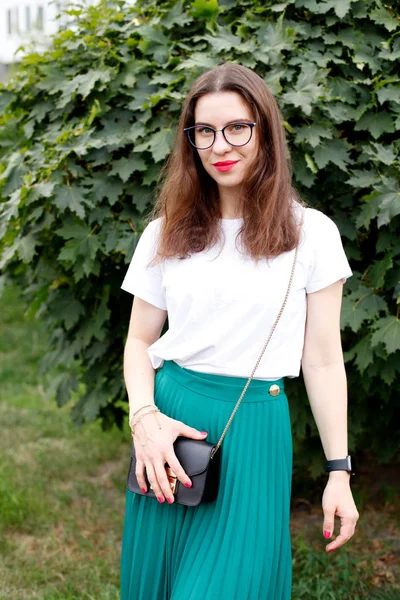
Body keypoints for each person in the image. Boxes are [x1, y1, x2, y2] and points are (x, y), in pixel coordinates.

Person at [119, 63, 359, 600]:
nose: (220, 145)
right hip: (167, 426)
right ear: (191, 140)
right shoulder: (166, 233)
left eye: (237, 128)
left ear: (265, 132)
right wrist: (144, 421)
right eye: (204, 131)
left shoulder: (312, 234)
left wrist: (338, 472)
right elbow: (138, 342)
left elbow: (321, 360)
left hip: (253, 430)